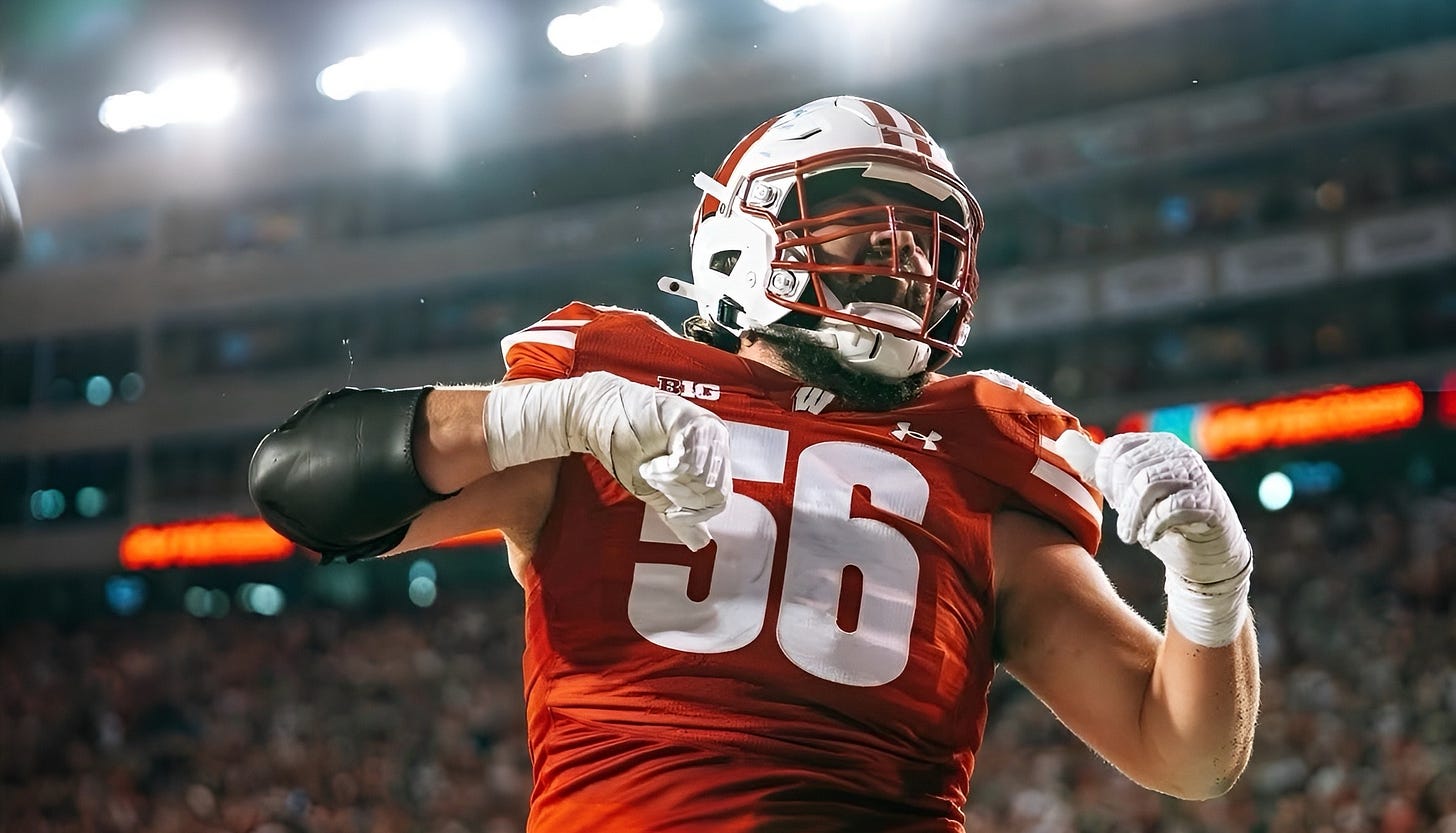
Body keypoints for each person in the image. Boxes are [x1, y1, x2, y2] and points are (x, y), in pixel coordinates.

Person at [250, 96, 1259, 831]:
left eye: (925, 243)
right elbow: (298, 487)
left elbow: (1184, 749)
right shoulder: (609, 399)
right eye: (869, 226)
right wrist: (547, 414)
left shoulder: (984, 451)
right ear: (742, 238)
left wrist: (1210, 588)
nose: (907, 266)